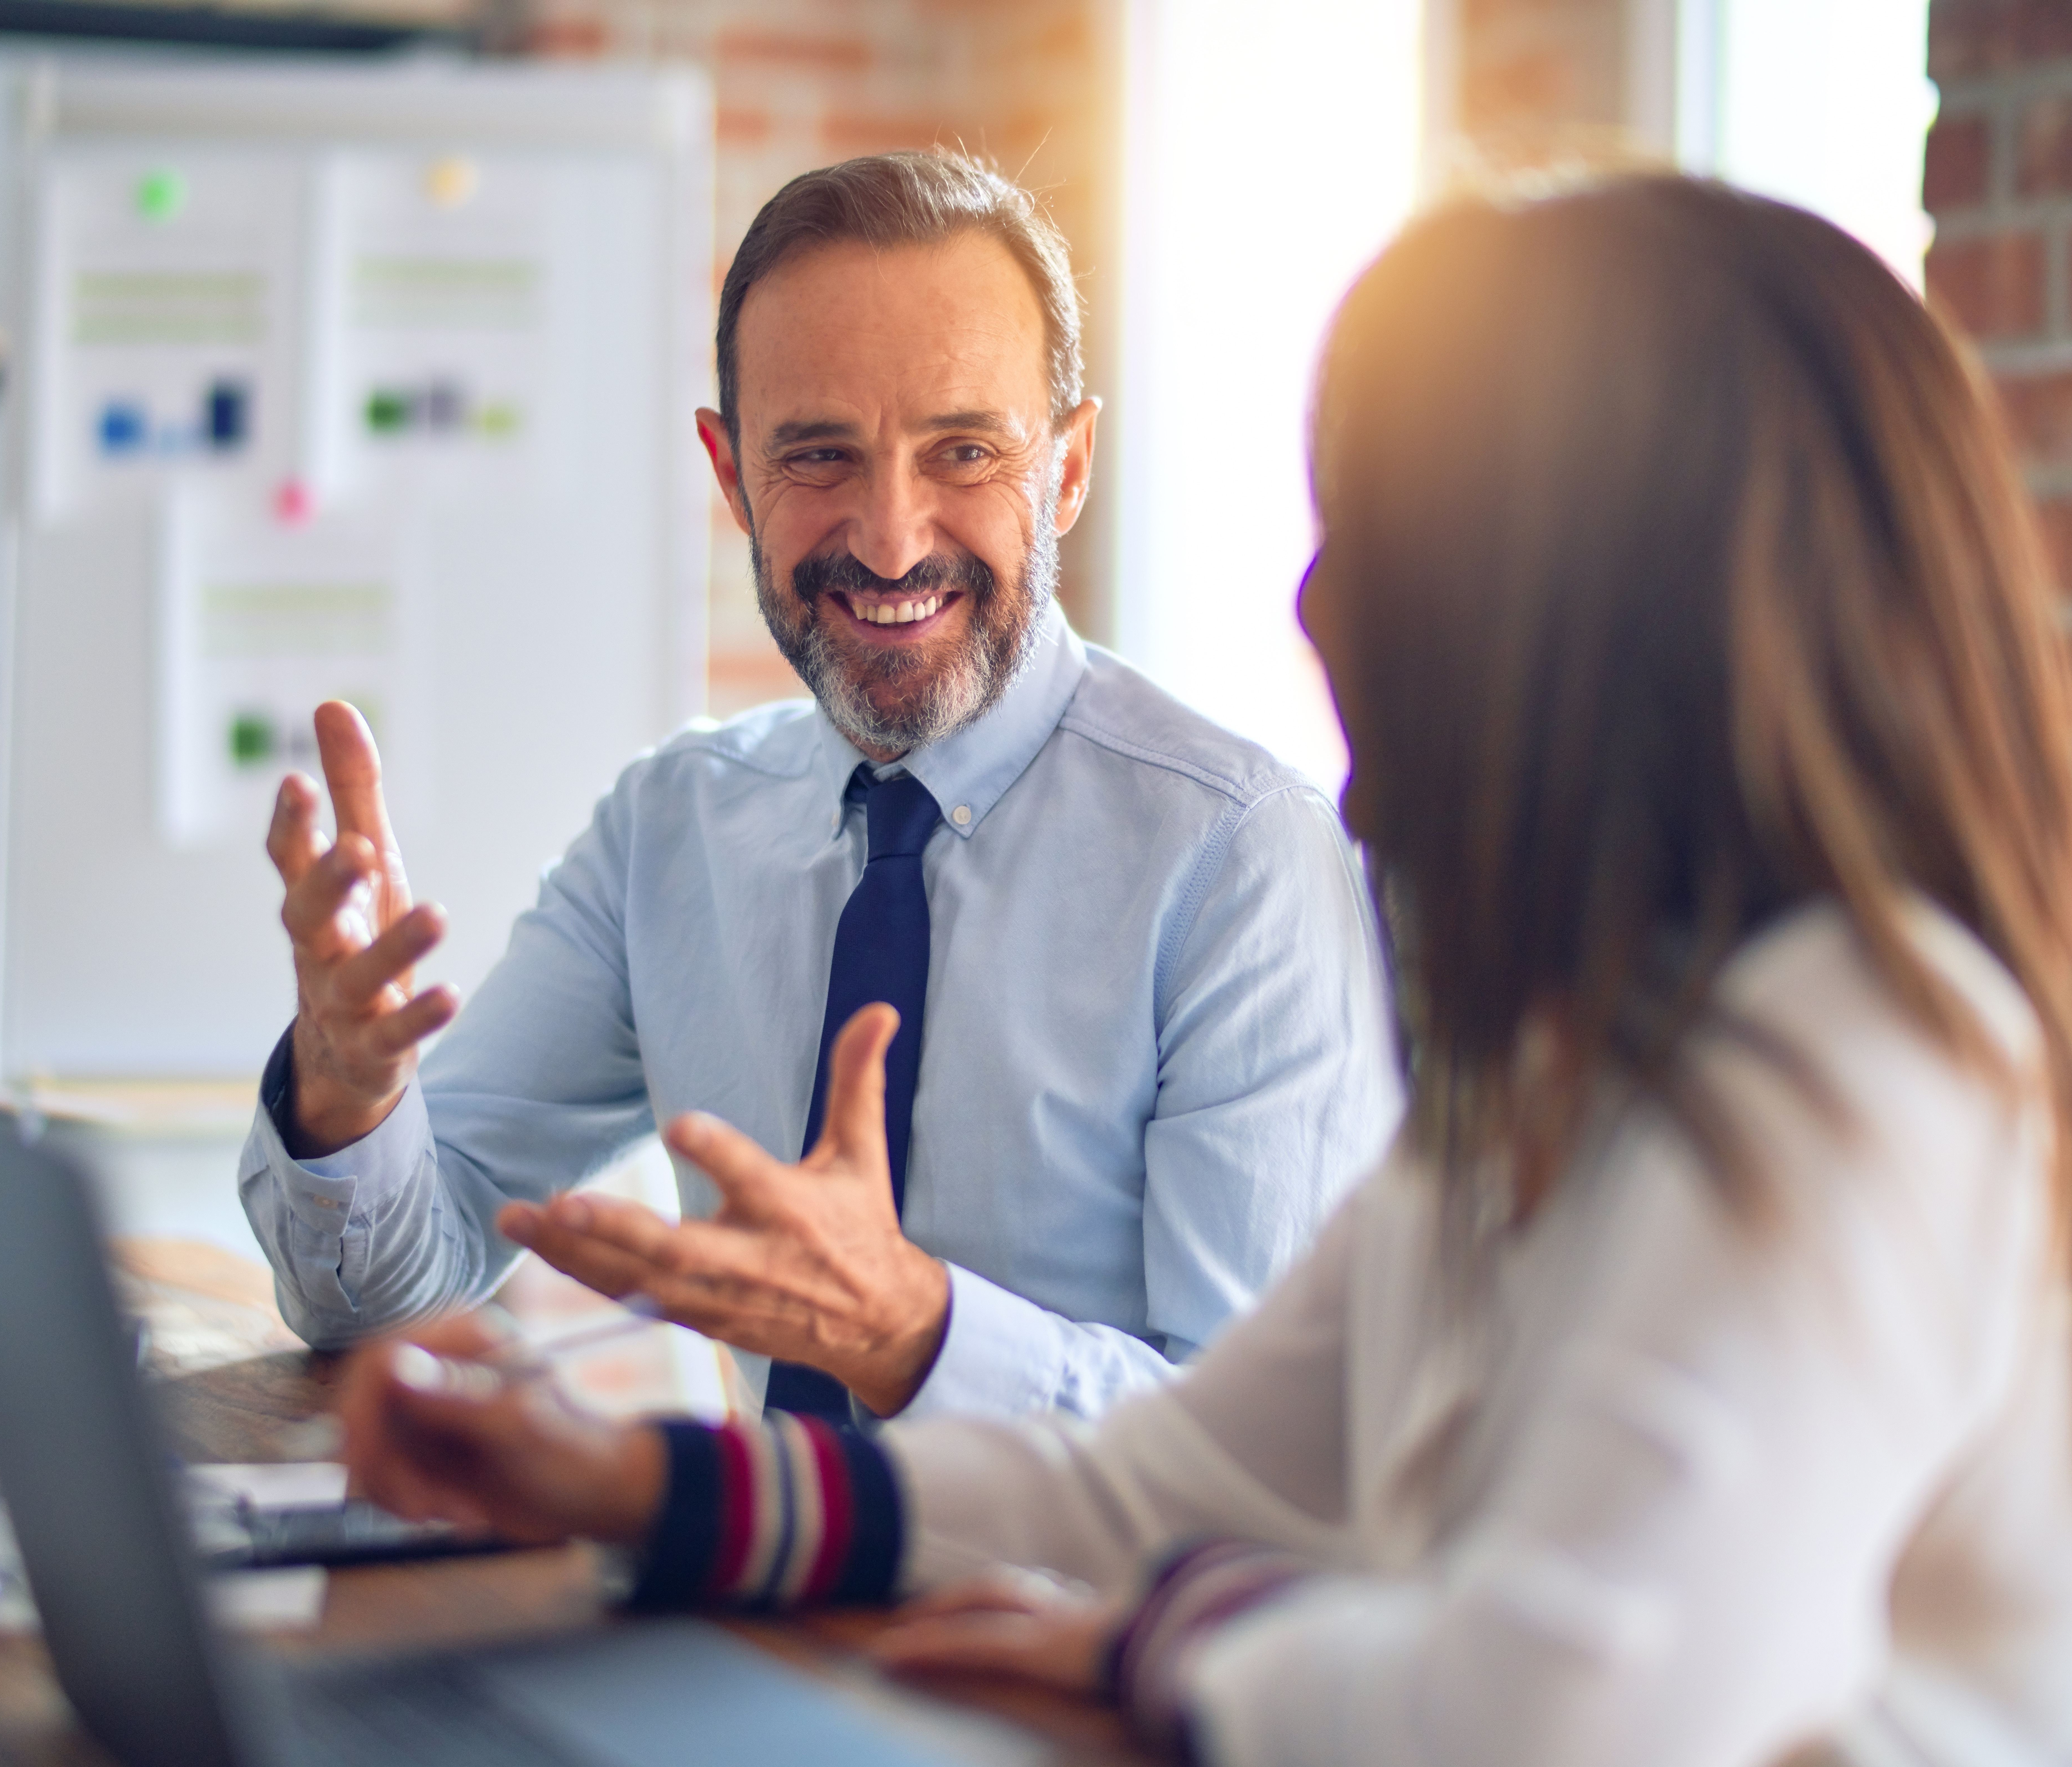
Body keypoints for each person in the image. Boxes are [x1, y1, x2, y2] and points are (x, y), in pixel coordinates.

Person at [328, 175, 2072, 1767]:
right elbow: (1164, 1482)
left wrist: (1171, 1649)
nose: (1317, 599)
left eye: (1383, 536)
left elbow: (1556, 1724)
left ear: (1607, 608)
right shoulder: (1559, 1076)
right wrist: (628, 1485)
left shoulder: (1858, 1070)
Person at [244, 149, 1398, 1423]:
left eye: (964, 451)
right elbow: (382, 1299)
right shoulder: (668, 835)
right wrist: (346, 1104)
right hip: (749, 1547)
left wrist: (918, 1339)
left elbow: (1271, 1452)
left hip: (1041, 1569)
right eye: (820, 457)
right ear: (731, 474)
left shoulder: (1239, 860)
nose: (891, 541)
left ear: (1067, 470)